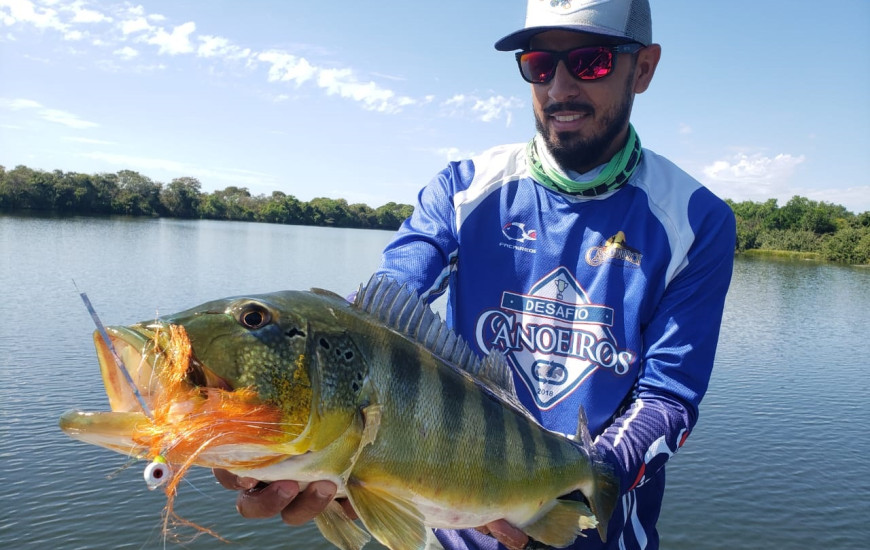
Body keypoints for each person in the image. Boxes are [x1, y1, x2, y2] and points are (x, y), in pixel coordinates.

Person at [215, 1, 736, 548]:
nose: (558, 88)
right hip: (458, 533)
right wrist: (297, 420)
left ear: (644, 68)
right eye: (538, 63)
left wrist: (585, 478)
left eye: (591, 61)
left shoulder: (695, 221)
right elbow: (381, 309)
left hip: (595, 533)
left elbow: (668, 396)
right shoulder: (463, 190)